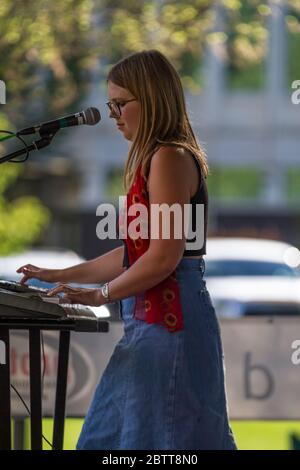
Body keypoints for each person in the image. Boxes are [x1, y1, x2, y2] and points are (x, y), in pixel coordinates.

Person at [17, 49, 237, 450]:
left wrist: (101, 294)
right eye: (110, 104)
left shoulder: (169, 157)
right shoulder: (155, 159)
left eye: (120, 104)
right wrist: (62, 274)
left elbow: (163, 257)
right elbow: (134, 255)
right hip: (154, 324)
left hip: (170, 324)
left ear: (151, 99)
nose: (114, 114)